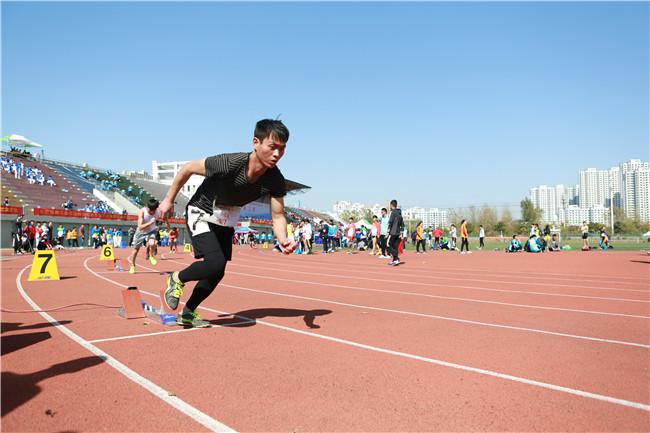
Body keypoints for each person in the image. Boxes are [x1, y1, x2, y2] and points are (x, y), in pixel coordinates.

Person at [158, 119, 297, 328]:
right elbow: (187, 168)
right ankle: (177, 278)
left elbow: (277, 215)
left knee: (218, 271)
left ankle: (188, 312)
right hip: (201, 211)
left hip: (225, 218)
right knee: (214, 263)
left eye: (282, 148)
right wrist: (169, 199)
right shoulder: (229, 163)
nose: (277, 154)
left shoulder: (275, 178)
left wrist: (283, 238)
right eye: (272, 147)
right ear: (256, 143)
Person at [128, 199, 160, 274]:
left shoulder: (157, 211)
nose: (151, 212)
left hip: (151, 231)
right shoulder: (142, 211)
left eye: (153, 211)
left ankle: (151, 255)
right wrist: (150, 222)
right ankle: (132, 266)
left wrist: (166, 222)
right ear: (147, 206)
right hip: (141, 232)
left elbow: (163, 215)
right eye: (149, 210)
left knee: (152, 243)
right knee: (135, 250)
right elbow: (140, 227)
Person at [386, 199, 404, 266]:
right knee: (394, 246)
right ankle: (395, 260)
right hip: (397, 232)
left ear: (391, 205)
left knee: (388, 245)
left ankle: (396, 258)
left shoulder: (392, 212)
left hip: (392, 232)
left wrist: (388, 232)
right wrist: (402, 234)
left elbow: (390, 222)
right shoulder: (399, 213)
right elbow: (402, 224)